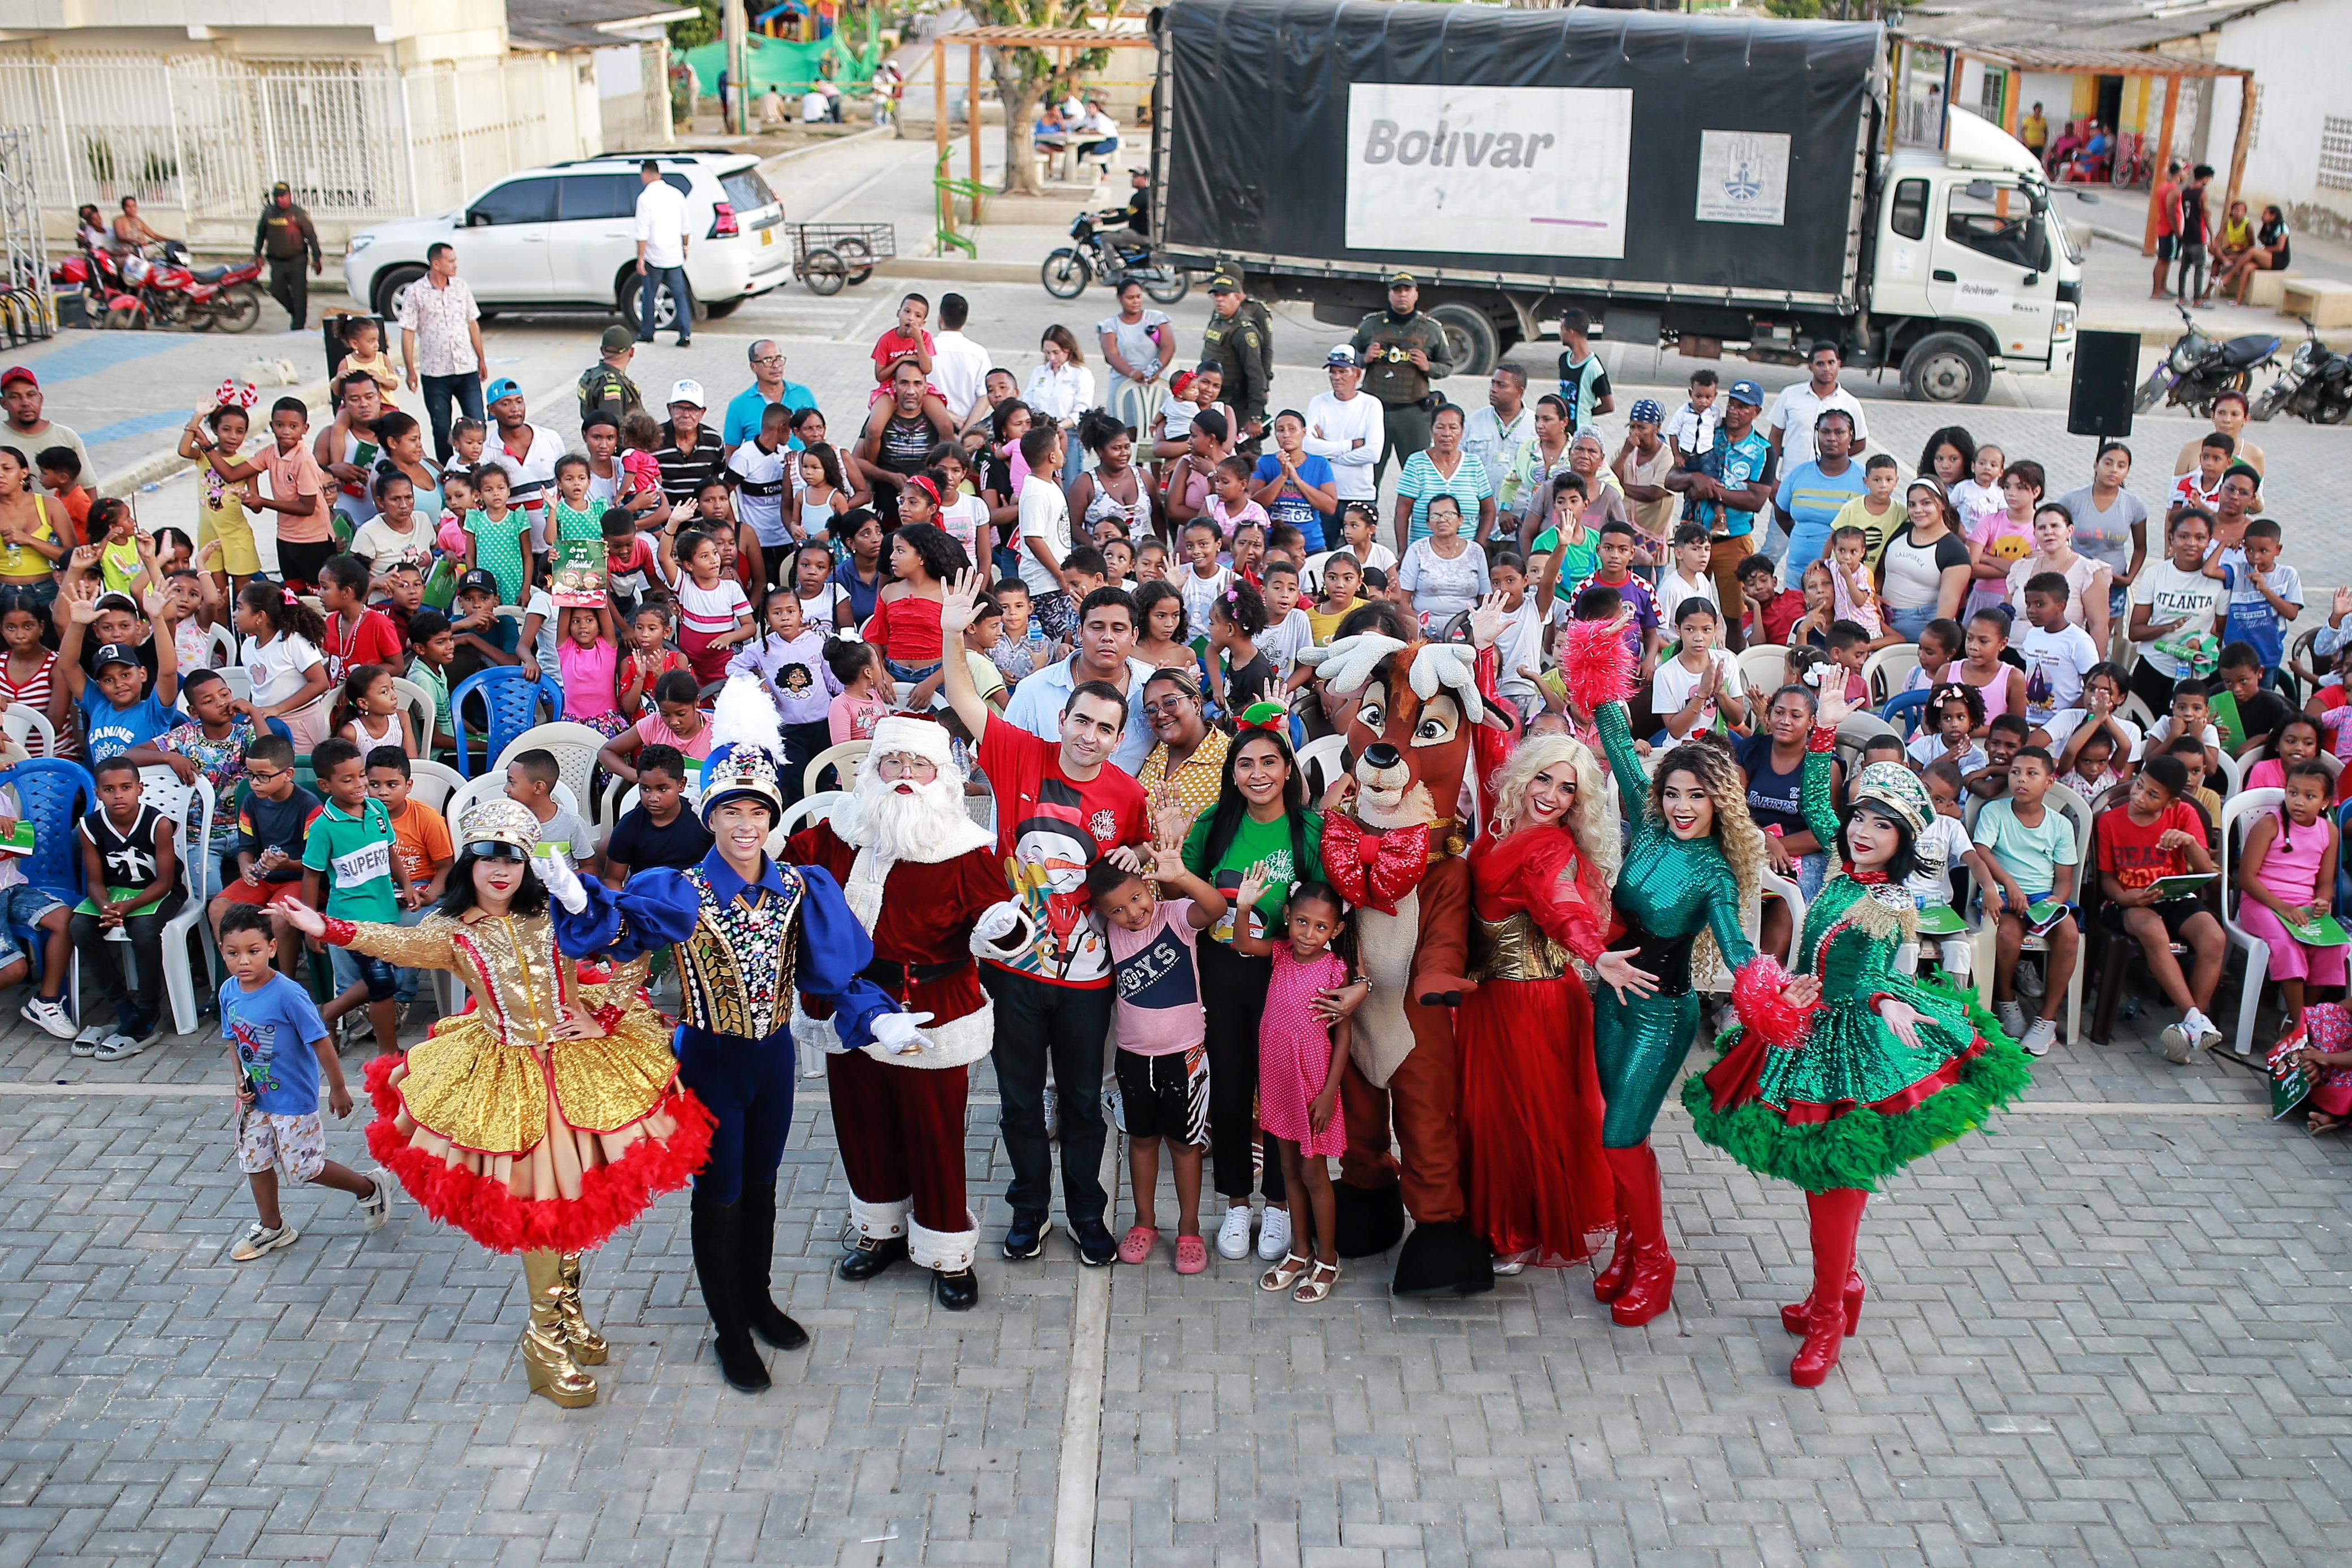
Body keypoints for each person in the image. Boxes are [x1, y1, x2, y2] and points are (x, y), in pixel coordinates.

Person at [548, 682, 922, 1391]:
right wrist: (580, 899)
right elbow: (624, 934)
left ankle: (756, 1298)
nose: (745, 824)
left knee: (761, 1184)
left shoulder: (799, 885)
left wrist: (876, 1016)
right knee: (718, 1190)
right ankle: (727, 1326)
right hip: (710, 1060)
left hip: (775, 1059)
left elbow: (833, 973)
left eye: (757, 810)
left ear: (771, 817)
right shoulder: (681, 887)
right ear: (710, 815)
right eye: (731, 811)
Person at [279, 796, 708, 1406]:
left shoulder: (558, 908)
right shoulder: (450, 930)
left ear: (529, 864)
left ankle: (568, 1311)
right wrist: (330, 927)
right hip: (503, 1077)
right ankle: (544, 1338)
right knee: (541, 1211)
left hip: (578, 1070)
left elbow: (636, 943)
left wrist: (604, 1014)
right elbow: (398, 943)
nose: (500, 870)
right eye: (487, 857)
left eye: (512, 857)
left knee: (574, 1208)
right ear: (469, 863)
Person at [1683, 688, 2027, 1388]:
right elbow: (1819, 811)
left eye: (1883, 824)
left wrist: (1879, 1001)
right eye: (1860, 818)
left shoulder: (1887, 897)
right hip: (1804, 1025)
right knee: (1819, 1182)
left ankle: (1829, 1316)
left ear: (1905, 842)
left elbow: (1869, 972)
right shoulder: (1844, 870)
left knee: (1834, 1180)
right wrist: (1822, 734)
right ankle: (1833, 1292)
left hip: (1853, 1044)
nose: (1863, 830)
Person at [1559, 614, 1772, 1327]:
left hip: (1662, 1013)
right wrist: (1595, 663)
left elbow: (1739, 954)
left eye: (1696, 796)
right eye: (1674, 793)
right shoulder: (1648, 827)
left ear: (1718, 803)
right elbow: (1619, 742)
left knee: (1621, 1135)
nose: (1682, 807)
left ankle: (1654, 1257)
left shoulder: (1713, 868)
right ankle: (1627, 1240)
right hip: (1611, 1000)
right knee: (1615, 1134)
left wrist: (1769, 994)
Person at [937, 569, 1152, 1267]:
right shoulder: (1015, 751)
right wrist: (949, 631)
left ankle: (1088, 1218)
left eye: (1106, 727)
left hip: (1089, 980)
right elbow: (965, 696)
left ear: (1120, 737)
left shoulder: (1125, 794)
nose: (1091, 735)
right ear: (1061, 719)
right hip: (1012, 969)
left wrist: (1151, 853)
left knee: (1085, 1106)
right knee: (1021, 1104)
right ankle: (1029, 1212)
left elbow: (1136, 861)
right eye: (1082, 721)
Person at [784, 717, 1007, 1310]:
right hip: (851, 1004)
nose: (905, 776)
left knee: (933, 1134)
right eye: (893, 763)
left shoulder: (964, 846)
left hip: (932, 1009)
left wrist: (1002, 927)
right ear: (873, 770)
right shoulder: (836, 833)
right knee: (862, 1122)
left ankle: (946, 1252)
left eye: (919, 765)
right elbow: (775, 872)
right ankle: (880, 1229)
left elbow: (993, 919)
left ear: (941, 776)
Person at [1450, 733, 1616, 1274]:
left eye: (1567, 789)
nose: (1551, 795)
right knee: (1488, 1115)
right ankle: (1498, 1219)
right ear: (1524, 777)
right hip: (1489, 999)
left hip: (1530, 1003)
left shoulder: (1550, 848)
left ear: (1578, 801)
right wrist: (1478, 665)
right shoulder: (1502, 829)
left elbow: (1560, 902)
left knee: (1520, 1120)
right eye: (1544, 778)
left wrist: (1595, 951)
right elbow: (1486, 740)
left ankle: (1518, 1231)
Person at [215, 901, 390, 1261]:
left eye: (253, 951)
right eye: (233, 953)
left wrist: (338, 1088)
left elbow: (321, 1041)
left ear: (272, 949)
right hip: (254, 1101)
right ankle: (273, 1227)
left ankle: (369, 1187)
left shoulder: (289, 994)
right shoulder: (228, 992)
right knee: (256, 1162)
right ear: (222, 952)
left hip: (293, 1100)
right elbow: (232, 1039)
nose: (243, 962)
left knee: (305, 1168)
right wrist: (238, 1080)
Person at [1091, 828, 1227, 1275]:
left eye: (1136, 898)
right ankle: (1144, 1222)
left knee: (1185, 1146)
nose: (1132, 913)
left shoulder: (1173, 917)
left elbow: (1216, 908)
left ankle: (1189, 1229)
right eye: (1117, 909)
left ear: (1148, 886)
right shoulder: (1109, 932)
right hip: (1133, 1058)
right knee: (1142, 1141)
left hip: (1185, 1056)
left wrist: (1181, 875)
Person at [2095, 753, 2226, 1061]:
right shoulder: (2111, 821)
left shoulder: (2184, 815)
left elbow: (2205, 871)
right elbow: (2109, 881)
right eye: (2139, 786)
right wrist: (2128, 898)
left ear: (2170, 803)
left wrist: (2189, 842)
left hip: (2174, 895)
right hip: (2130, 902)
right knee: (2152, 928)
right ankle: (2195, 1021)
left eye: (2152, 795)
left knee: (2214, 938)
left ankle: (2188, 1031)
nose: (2139, 797)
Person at [71, 755, 181, 1058]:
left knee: (144, 930)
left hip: (159, 891)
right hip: (116, 893)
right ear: (97, 793)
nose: (118, 795)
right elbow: (94, 881)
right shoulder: (90, 826)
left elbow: (165, 881)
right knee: (80, 926)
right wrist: (106, 907)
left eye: (125, 787)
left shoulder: (157, 823)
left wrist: (128, 907)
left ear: (139, 789)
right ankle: (121, 1004)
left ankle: (148, 1009)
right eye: (109, 789)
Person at [300, 738, 405, 1056]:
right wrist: (311, 924)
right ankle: (389, 1054)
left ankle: (328, 1013)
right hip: (349, 916)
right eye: (348, 780)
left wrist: (408, 886)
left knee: (390, 978)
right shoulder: (323, 828)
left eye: (363, 776)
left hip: (386, 910)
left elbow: (390, 852)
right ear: (325, 785)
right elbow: (311, 876)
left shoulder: (376, 809)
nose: (360, 785)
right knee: (381, 979)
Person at [2234, 760, 2343, 1023]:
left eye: (2310, 796)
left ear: (2325, 803)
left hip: (2303, 906)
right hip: (2261, 902)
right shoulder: (2270, 825)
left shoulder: (2329, 831)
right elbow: (2247, 878)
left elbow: (2326, 882)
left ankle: (2302, 1014)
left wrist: (2323, 900)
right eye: (2293, 793)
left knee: (2335, 947)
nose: (2299, 802)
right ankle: (2301, 1025)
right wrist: (2282, 907)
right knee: (2286, 944)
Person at [1351, 273, 1452, 484]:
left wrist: (1428, 366)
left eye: (1407, 290)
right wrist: (1363, 358)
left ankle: (1420, 517)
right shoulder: (1371, 325)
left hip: (1413, 414)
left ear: (1416, 295)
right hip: (1375, 412)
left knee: (1419, 478)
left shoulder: (1431, 329)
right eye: (1397, 291)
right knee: (1367, 477)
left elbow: (1447, 366)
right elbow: (1345, 358)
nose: (1402, 295)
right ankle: (1363, 517)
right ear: (1390, 295)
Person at [2126, 506, 2223, 713]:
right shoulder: (2155, 574)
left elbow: (2221, 634)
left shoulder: (2218, 580)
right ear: (2171, 539)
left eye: (2200, 537)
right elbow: (2135, 632)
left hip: (2200, 672)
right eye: (2184, 536)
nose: (2192, 543)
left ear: (2209, 541)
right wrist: (2167, 628)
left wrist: (2200, 645)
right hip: (2155, 667)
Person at [396, 243, 486, 464]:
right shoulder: (415, 292)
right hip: (435, 373)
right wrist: (410, 370)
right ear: (436, 264)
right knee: (441, 426)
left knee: (477, 421)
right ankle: (448, 470)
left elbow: (472, 323)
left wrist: (481, 358)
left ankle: (477, 467)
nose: (456, 265)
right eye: (451, 261)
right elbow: (407, 331)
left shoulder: (461, 288)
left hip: (466, 368)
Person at [1766, 342, 1868, 475]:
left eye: (1831, 362)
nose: (1827, 368)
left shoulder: (1850, 403)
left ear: (1839, 364)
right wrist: (1771, 479)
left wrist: (1834, 460)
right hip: (1791, 477)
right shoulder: (1789, 395)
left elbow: (1860, 442)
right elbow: (1775, 437)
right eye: (1820, 364)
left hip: (1829, 480)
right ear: (1811, 367)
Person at [1303, 346, 1383, 514]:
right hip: (1325, 492)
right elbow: (1307, 446)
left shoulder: (1371, 404)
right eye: (1333, 372)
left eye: (1342, 372)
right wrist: (1350, 445)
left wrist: (1330, 455)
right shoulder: (1318, 402)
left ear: (1357, 375)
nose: (1336, 377)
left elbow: (1374, 453)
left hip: (1360, 493)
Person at [1201, 275, 1273, 445]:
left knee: (1244, 456)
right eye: (1216, 296)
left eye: (1225, 296)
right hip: (1215, 399)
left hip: (1237, 404)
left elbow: (1256, 374)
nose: (1219, 300)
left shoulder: (1244, 331)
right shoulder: (1218, 320)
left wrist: (1255, 416)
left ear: (1239, 298)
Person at [1097, 281, 1173, 439]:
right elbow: (1112, 355)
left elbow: (1168, 346)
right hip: (1124, 386)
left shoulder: (1157, 318)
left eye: (1139, 297)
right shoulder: (1110, 326)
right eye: (1130, 298)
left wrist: (1155, 370)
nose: (1136, 301)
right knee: (1127, 433)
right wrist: (1132, 373)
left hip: (1155, 385)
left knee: (1156, 435)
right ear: (1120, 299)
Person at [0, 368, 89, 499]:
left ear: (40, 398)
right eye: (15, 397)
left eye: (31, 395)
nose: (25, 402)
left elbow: (87, 487)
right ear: (4, 403)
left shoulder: (66, 437)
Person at [633, 159, 693, 346]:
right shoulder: (676, 194)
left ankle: (647, 332)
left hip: (654, 256)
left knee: (649, 295)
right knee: (680, 296)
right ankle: (685, 334)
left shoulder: (645, 198)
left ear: (646, 174)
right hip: (674, 255)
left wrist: (640, 258)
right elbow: (686, 227)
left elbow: (642, 232)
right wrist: (685, 248)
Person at [722, 341, 818, 454]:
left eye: (779, 359)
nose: (776, 366)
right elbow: (731, 452)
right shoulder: (739, 405)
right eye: (768, 361)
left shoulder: (803, 394)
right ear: (754, 367)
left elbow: (818, 436)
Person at [252, 183, 321, 331]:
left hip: (297, 260)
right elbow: (260, 235)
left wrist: (317, 259)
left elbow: (311, 237)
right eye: (277, 196)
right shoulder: (269, 213)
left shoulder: (298, 214)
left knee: (299, 294)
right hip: (277, 262)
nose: (280, 199)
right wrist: (257, 254)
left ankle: (298, 326)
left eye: (283, 196)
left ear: (290, 196)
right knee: (276, 290)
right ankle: (296, 313)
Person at [928, 298, 992, 429]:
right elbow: (984, 397)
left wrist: (950, 417)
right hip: (966, 425)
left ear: (941, 318)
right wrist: (966, 431)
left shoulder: (926, 350)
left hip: (931, 424)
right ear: (965, 320)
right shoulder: (979, 353)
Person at [2220, 204, 2293, 304]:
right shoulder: (2267, 227)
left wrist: (2264, 250)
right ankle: (2239, 300)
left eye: (2265, 213)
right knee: (2247, 267)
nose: (2262, 215)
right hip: (2268, 258)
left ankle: (2230, 275)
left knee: (2253, 251)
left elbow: (2280, 248)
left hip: (2279, 260)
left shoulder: (2282, 227)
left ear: (2273, 216)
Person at [1554, 309, 1614, 428]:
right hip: (1563, 431)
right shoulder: (1564, 360)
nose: (1560, 334)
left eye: (1562, 329)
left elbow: (1609, 405)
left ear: (1571, 332)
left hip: (1580, 434)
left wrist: (1586, 414)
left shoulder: (1594, 368)